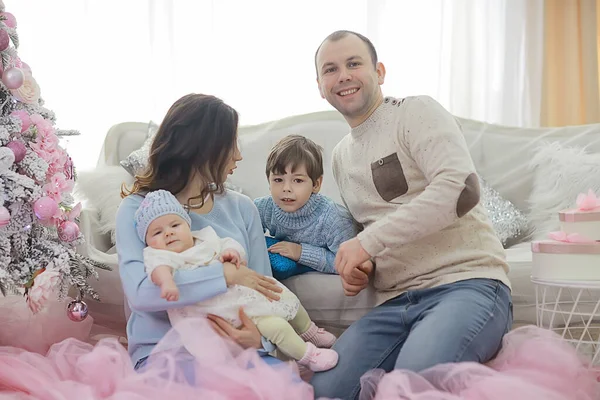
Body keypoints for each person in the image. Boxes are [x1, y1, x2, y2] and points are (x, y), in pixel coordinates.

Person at [310, 30, 513, 399]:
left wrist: (366, 243)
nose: (343, 75)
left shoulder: (415, 111)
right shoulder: (339, 156)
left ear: (380, 72)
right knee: (325, 387)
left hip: (466, 283)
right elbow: (374, 227)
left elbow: (461, 189)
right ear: (321, 87)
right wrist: (364, 266)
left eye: (354, 63)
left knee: (412, 383)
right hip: (395, 302)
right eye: (331, 69)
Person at [116, 93, 289, 383]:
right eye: (232, 144)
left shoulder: (242, 207)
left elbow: (263, 288)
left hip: (240, 353)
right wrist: (223, 275)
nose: (239, 155)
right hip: (166, 356)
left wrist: (260, 339)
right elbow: (141, 293)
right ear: (205, 148)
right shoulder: (136, 209)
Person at [135, 189, 338, 372]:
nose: (168, 233)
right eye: (157, 232)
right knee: (277, 327)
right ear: (148, 241)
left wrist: (232, 254)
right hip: (222, 313)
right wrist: (167, 283)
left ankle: (309, 331)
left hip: (245, 297)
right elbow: (157, 270)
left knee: (283, 294)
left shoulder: (205, 238)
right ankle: (309, 356)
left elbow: (228, 244)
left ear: (187, 225)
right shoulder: (160, 255)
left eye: (174, 225)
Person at [254, 134, 358, 277]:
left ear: (316, 184)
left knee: (284, 267)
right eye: (278, 179)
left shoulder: (335, 219)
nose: (286, 188)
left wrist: (301, 252)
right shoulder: (263, 207)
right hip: (283, 257)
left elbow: (350, 263)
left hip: (312, 259)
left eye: (297, 180)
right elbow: (243, 229)